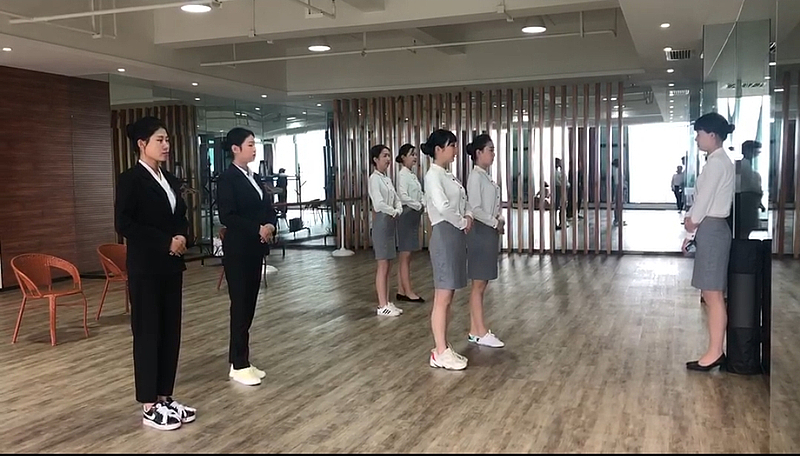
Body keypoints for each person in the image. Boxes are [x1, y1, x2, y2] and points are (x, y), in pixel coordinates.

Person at [115, 116, 196, 431]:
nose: (166, 145)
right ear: (142, 144)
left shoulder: (170, 179)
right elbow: (125, 223)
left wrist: (181, 236)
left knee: (170, 332)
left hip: (171, 265)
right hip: (146, 267)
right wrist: (165, 241)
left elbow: (180, 216)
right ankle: (149, 404)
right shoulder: (131, 180)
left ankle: (165, 396)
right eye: (159, 140)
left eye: (167, 139)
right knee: (148, 333)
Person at [217, 127, 278, 386]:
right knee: (240, 306)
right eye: (250, 144)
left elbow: (267, 207)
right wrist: (257, 228)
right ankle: (238, 363)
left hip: (255, 248)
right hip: (239, 250)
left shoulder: (254, 176)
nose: (254, 149)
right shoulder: (227, 178)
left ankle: (242, 359)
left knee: (250, 305)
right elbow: (227, 216)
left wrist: (270, 224)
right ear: (235, 148)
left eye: (255, 144)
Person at [682, 112, 735, 371]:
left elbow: (704, 199)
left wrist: (691, 222)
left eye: (699, 134)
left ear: (712, 135)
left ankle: (715, 352)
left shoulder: (717, 163)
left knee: (713, 295)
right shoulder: (718, 160)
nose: (697, 139)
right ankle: (715, 350)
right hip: (711, 229)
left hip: (712, 228)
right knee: (710, 293)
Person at [423, 129, 473, 370]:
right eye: (451, 145)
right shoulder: (433, 175)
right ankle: (440, 351)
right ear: (438, 149)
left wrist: (468, 215)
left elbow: (463, 200)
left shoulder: (448, 175)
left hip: (455, 234)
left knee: (449, 295)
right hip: (444, 234)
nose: (455, 150)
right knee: (442, 296)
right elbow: (443, 207)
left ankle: (442, 346)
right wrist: (462, 222)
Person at [465, 134, 505, 348]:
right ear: (478, 153)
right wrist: (494, 221)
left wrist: (499, 218)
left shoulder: (485, 176)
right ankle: (480, 331)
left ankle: (475, 330)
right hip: (480, 232)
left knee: (482, 283)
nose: (493, 154)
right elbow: (475, 209)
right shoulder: (475, 177)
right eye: (490, 149)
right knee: (478, 284)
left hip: (489, 231)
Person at [368, 144, 404, 317]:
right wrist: (394, 211)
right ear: (375, 159)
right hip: (382, 222)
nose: (388, 159)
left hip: (390, 222)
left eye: (389, 155)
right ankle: (382, 304)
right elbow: (378, 203)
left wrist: (398, 208)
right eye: (384, 156)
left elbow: (396, 198)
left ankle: (387, 301)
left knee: (388, 264)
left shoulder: (387, 179)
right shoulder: (374, 179)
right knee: (383, 265)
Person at [394, 143, 425, 303]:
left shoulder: (411, 175)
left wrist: (423, 203)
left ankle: (401, 290)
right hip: (407, 215)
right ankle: (408, 292)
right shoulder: (403, 175)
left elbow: (420, 193)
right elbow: (403, 196)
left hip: (413, 216)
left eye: (415, 154)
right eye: (412, 154)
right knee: (405, 256)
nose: (415, 157)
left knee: (407, 256)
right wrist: (418, 205)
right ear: (403, 157)